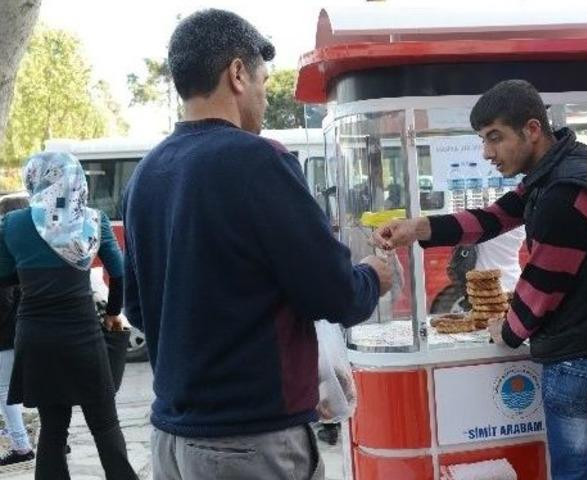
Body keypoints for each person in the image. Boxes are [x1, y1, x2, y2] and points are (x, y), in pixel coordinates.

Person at [121, 9, 392, 480]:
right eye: (264, 80)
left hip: (170, 441)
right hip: (250, 443)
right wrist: (375, 275)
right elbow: (335, 294)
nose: (266, 98)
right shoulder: (257, 160)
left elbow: (140, 311)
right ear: (238, 74)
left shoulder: (146, 175)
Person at [373, 79, 587, 480]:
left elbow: (542, 287)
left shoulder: (566, 192)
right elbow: (494, 218)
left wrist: (505, 331)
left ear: (532, 130)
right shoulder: (566, 168)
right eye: (482, 140)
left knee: (576, 475)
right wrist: (416, 228)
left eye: (495, 138)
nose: (487, 153)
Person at [0, 153, 136, 479]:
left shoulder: (14, 224)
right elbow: (118, 275)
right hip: (83, 336)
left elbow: (4, 277)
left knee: (53, 429)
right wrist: (113, 314)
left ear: (34, 179)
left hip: (35, 336)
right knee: (105, 424)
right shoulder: (94, 220)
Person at [0, 195, 33, 466]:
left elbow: (5, 299)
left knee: (4, 392)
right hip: (31, 329)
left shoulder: (6, 249)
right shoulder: (33, 246)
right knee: (41, 387)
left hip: (7, 334)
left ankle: (22, 446)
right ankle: (58, 439)